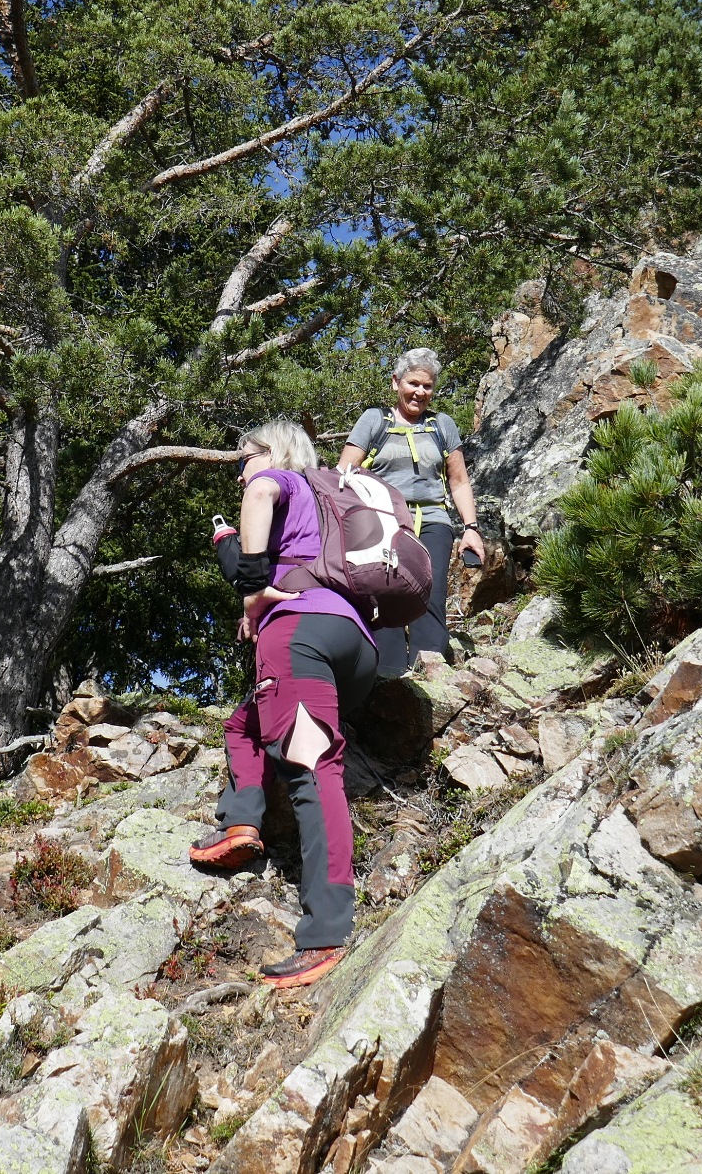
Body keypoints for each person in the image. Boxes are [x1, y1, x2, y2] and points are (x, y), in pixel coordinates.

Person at [188, 418, 375, 990]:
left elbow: (261, 491)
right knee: (243, 726)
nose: (241, 471)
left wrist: (251, 592)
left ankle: (326, 931)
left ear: (270, 453)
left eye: (243, 458)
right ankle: (242, 821)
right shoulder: (327, 497)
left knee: (311, 766)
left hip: (299, 635)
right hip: (356, 644)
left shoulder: (281, 481)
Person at [340, 348, 483, 678]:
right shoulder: (375, 421)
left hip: (434, 519)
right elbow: (343, 474)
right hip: (383, 521)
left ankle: (432, 674)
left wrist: (471, 528)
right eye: (413, 383)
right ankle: (388, 675)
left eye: (428, 386)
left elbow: (458, 481)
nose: (420, 392)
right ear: (396, 383)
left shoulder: (441, 425)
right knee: (386, 592)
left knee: (430, 595)